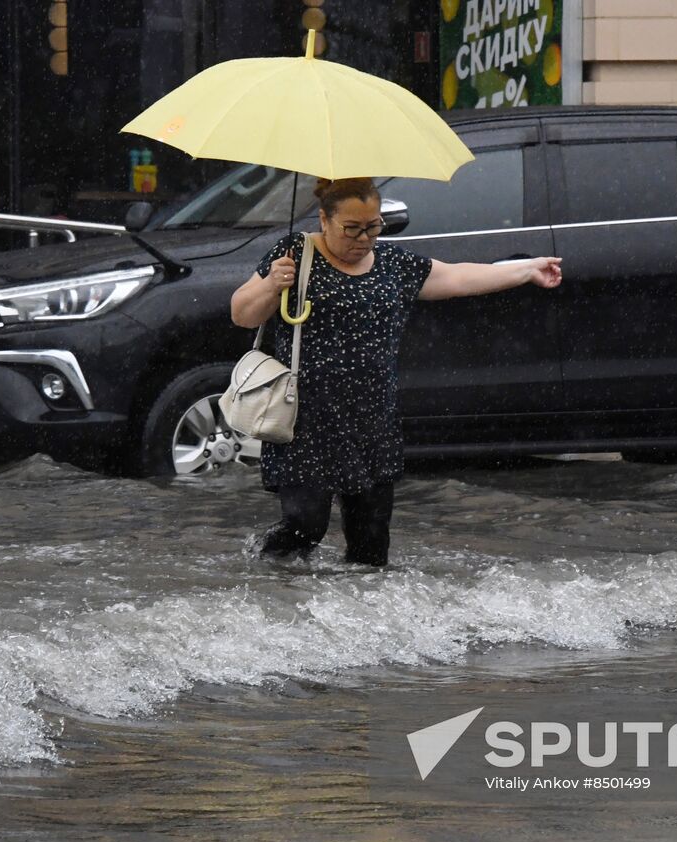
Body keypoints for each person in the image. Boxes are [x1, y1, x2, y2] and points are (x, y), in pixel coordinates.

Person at [230, 176, 563, 566]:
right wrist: (272, 284)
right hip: (307, 421)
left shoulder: (394, 264)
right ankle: (269, 581)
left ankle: (357, 616)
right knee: (305, 525)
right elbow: (242, 314)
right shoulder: (294, 254)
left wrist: (526, 270)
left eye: (373, 227)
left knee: (371, 544)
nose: (363, 238)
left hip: (372, 420)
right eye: (351, 228)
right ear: (324, 219)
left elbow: (456, 277)